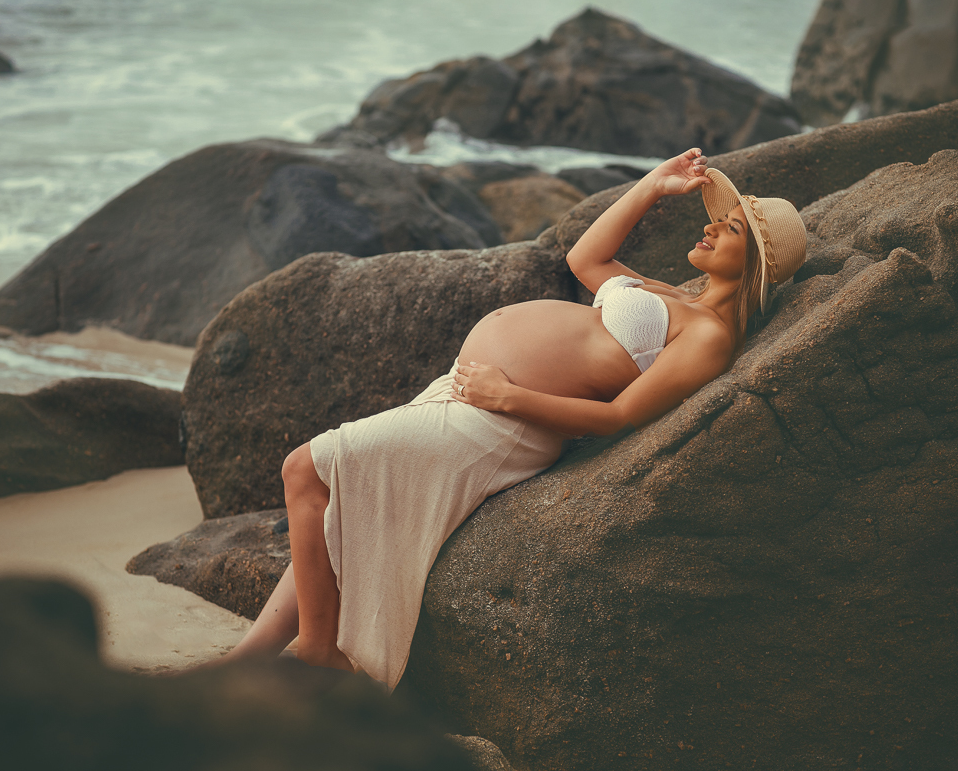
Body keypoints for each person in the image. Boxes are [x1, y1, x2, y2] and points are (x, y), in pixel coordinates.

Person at [214, 148, 807, 689]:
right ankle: (248, 660)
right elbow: (585, 257)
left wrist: (507, 397)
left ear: (754, 262)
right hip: (465, 394)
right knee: (341, 502)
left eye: (728, 228)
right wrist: (652, 186)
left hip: (501, 424)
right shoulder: (677, 296)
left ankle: (319, 649)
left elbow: (621, 414)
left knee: (305, 470)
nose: (708, 225)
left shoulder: (707, 335)